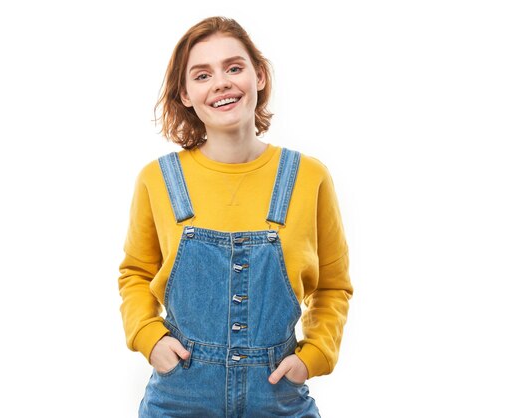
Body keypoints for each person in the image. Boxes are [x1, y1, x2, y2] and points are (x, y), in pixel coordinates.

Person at [118, 16, 353, 417]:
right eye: (202, 74)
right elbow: (135, 274)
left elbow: (333, 287)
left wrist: (314, 355)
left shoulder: (308, 177)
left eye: (234, 67)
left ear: (258, 76)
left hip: (278, 394)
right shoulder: (158, 180)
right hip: (180, 396)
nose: (221, 83)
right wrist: (148, 337)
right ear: (186, 94)